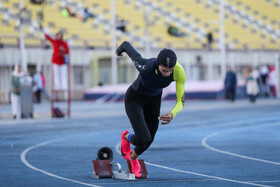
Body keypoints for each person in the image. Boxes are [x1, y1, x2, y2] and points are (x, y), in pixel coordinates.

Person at [115, 41, 186, 178]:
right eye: (164, 70)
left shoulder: (179, 71)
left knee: (149, 140)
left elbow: (181, 101)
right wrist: (119, 51)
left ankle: (133, 158)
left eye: (170, 71)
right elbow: (127, 46)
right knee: (143, 137)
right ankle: (126, 136)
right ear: (158, 64)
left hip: (153, 101)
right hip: (134, 99)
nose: (167, 74)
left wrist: (172, 114)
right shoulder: (146, 66)